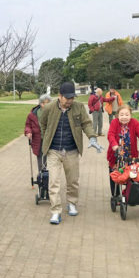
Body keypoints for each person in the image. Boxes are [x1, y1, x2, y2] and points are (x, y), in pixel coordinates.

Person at [39, 82, 103, 224]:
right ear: (60, 96)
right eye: (67, 98)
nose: (70, 101)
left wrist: (92, 137)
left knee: (73, 181)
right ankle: (55, 211)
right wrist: (46, 138)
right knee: (53, 182)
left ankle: (72, 203)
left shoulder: (78, 107)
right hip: (53, 151)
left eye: (72, 98)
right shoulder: (49, 108)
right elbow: (42, 124)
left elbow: (86, 123)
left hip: (72, 150)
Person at [106, 105, 139, 197]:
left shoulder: (135, 123)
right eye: (122, 115)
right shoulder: (114, 122)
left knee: (132, 174)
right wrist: (114, 145)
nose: (124, 117)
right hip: (116, 155)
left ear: (130, 115)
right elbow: (111, 134)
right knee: (115, 174)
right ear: (118, 115)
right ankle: (116, 195)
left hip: (130, 155)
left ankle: (129, 194)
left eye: (127, 115)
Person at [24, 94, 52, 169]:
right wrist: (28, 132)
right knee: (40, 158)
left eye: (48, 103)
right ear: (40, 103)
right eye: (43, 103)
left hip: (50, 139)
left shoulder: (53, 113)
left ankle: (47, 174)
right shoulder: (32, 114)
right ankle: (41, 174)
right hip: (38, 140)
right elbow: (28, 125)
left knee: (49, 158)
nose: (45, 105)